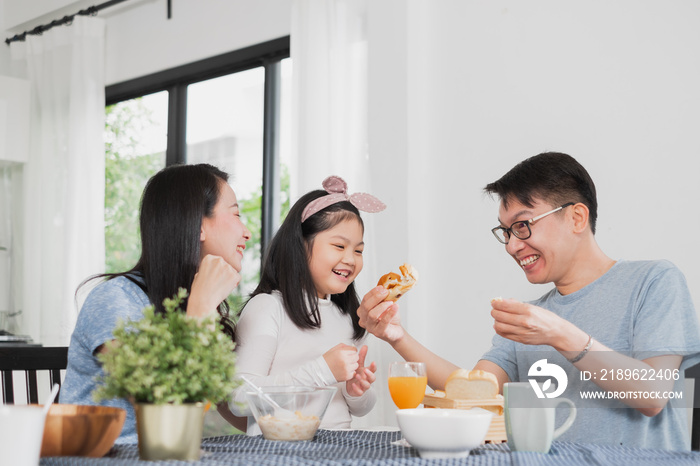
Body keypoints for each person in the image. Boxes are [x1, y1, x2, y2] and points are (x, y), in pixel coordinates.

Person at [357, 152, 700, 450]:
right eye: (505, 232)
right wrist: (396, 335)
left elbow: (653, 395)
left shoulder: (654, 281)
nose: (511, 245)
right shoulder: (531, 318)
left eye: (522, 226)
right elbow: (472, 390)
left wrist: (561, 335)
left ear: (577, 217)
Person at [60, 163, 251, 443]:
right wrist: (201, 307)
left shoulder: (191, 303)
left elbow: (228, 408)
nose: (246, 232)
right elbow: (167, 417)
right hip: (105, 457)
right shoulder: (116, 299)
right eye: (236, 214)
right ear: (198, 224)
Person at [231, 176, 384, 434]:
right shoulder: (268, 308)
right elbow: (239, 398)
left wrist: (355, 391)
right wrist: (322, 370)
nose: (350, 259)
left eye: (358, 251)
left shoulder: (346, 318)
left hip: (342, 449)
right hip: (279, 452)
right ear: (300, 246)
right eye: (339, 246)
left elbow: (359, 409)